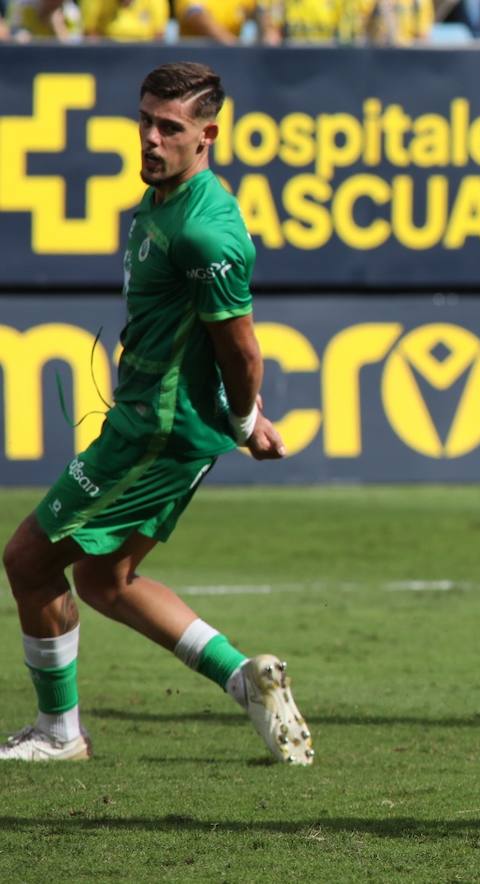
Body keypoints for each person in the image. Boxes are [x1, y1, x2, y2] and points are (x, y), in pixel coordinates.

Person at [0, 63, 313, 767]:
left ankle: (59, 733)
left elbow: (242, 349)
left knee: (26, 559)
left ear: (208, 136)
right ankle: (244, 678)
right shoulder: (161, 203)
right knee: (105, 581)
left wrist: (243, 421)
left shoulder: (206, 232)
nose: (149, 137)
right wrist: (247, 419)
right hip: (152, 421)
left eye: (169, 127)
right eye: (144, 120)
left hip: (154, 433)